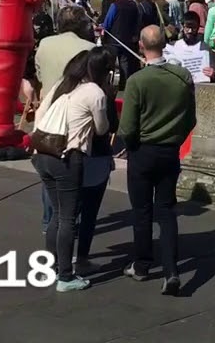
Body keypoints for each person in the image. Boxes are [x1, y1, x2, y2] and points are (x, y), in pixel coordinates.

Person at [119, 25, 197, 296]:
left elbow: (127, 127)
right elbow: (191, 118)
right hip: (169, 150)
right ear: (164, 44)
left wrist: (129, 145)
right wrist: (175, 138)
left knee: (141, 211)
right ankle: (171, 270)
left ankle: (141, 265)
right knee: (166, 211)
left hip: (143, 150)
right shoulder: (183, 76)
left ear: (141, 45)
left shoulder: (137, 81)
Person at [30, 48, 114, 292]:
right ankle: (66, 276)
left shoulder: (62, 86)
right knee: (68, 217)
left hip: (42, 152)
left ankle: (52, 264)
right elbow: (101, 129)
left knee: (57, 213)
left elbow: (41, 114)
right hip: (67, 156)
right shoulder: (94, 93)